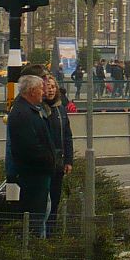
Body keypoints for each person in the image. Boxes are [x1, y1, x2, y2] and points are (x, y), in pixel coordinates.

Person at [6, 73, 58, 237]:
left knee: (42, 213)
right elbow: (29, 146)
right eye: (40, 89)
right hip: (33, 175)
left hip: (38, 174)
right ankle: (35, 252)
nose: (44, 92)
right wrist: (48, 159)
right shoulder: (23, 113)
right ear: (31, 91)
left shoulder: (30, 111)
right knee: (36, 218)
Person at [43, 76, 74, 233]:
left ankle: (50, 232)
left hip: (59, 164)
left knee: (55, 199)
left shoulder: (60, 109)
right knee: (44, 201)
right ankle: (43, 233)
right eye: (47, 86)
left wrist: (69, 160)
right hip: (44, 163)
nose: (50, 89)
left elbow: (67, 136)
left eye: (53, 87)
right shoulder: (40, 109)